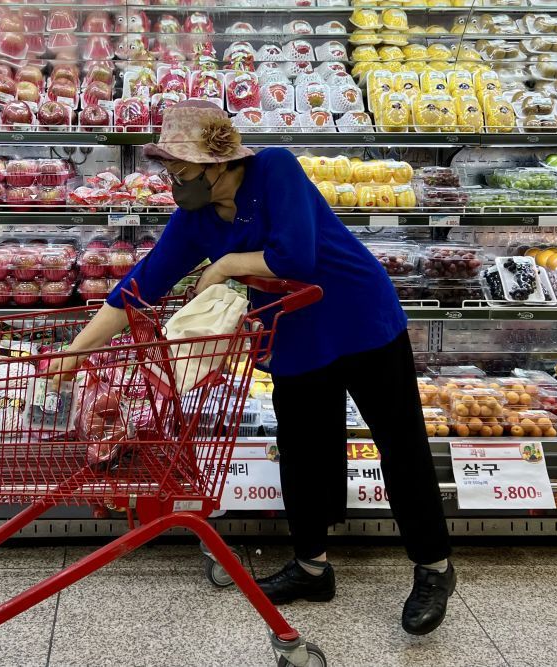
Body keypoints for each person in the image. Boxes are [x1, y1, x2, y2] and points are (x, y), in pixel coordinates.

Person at [52, 100, 455, 635]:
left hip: (360, 317)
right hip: (295, 330)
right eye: (169, 169)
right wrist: (76, 350)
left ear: (217, 164)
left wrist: (224, 265)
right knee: (305, 449)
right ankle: (312, 566)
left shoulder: (276, 169)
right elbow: (141, 286)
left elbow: (295, 257)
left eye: (181, 169)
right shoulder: (194, 217)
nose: (174, 180)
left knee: (399, 442)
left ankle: (434, 568)